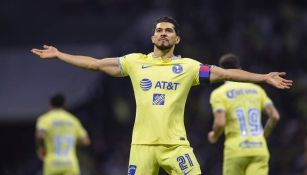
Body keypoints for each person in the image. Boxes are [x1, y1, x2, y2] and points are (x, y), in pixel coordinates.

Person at [31, 17, 292, 175]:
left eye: (168, 30)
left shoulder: (188, 67)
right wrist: (60, 54)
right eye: (159, 30)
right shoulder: (135, 62)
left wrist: (264, 77)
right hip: (141, 147)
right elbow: (96, 64)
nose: (163, 33)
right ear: (152, 36)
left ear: (177, 38)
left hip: (175, 145)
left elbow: (225, 73)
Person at [207, 53, 281, 175]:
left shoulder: (219, 94)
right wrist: (263, 135)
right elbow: (275, 116)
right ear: (240, 69)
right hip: (259, 149)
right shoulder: (258, 90)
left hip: (236, 150)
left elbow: (220, 123)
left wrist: (214, 136)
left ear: (222, 73)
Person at [35, 93, 91, 175]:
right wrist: (72, 143)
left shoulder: (45, 119)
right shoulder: (73, 120)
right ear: (64, 105)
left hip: (53, 163)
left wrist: (41, 148)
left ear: (50, 105)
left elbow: (40, 135)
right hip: (70, 164)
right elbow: (86, 141)